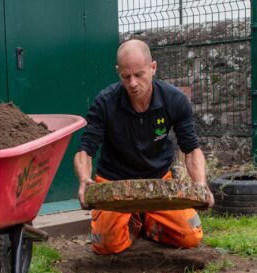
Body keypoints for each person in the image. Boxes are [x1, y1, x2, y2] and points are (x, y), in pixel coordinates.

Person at [74, 39, 214, 255]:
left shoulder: (174, 100)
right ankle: (132, 222)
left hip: (158, 180)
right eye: (125, 76)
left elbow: (191, 149)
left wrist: (201, 184)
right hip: (113, 181)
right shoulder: (104, 102)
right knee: (106, 246)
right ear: (118, 72)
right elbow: (86, 149)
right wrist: (84, 180)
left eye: (139, 75)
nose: (132, 83)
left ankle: (149, 222)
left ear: (153, 68)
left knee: (190, 237)